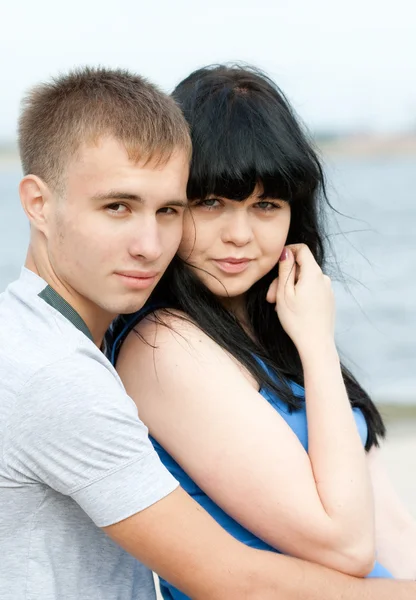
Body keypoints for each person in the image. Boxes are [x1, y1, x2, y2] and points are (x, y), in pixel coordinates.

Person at [1, 66, 414, 600]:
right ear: (37, 203)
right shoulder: (132, 354)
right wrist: (316, 343)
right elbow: (240, 574)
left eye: (267, 205)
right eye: (210, 203)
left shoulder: (276, 331)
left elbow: (390, 530)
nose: (148, 243)